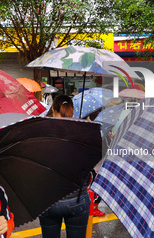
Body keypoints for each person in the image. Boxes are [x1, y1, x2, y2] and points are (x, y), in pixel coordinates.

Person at [39, 94, 92, 238]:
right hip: (77, 199)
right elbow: (94, 168)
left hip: (48, 201)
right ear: (73, 110)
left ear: (53, 110)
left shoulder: (41, 135)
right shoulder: (85, 134)